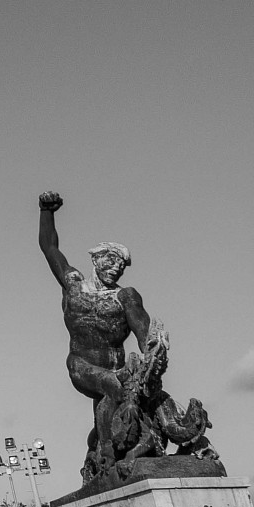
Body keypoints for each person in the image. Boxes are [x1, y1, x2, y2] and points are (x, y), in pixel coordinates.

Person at [36, 191, 158, 484]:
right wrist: (46, 212)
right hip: (81, 365)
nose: (117, 267)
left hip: (116, 368)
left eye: (122, 264)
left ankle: (99, 455)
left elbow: (145, 335)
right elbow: (49, 247)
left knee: (113, 409)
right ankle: (107, 453)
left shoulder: (126, 297)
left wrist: (151, 356)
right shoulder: (73, 284)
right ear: (98, 258)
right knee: (115, 389)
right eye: (112, 259)